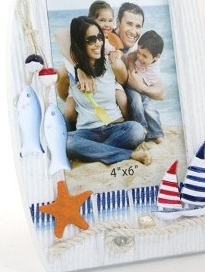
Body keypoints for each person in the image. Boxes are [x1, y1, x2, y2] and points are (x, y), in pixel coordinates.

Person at [56, 16, 151, 166]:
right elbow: (59, 34)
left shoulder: (110, 62)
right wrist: (79, 70)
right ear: (79, 43)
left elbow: (125, 81)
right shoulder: (71, 69)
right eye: (91, 40)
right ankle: (127, 154)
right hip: (86, 131)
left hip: (115, 127)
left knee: (137, 130)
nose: (98, 43)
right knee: (67, 142)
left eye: (99, 37)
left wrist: (117, 55)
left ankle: (94, 151)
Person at [126, 30, 165, 143]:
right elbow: (131, 59)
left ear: (156, 58)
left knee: (149, 107)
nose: (139, 57)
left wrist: (132, 64)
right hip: (130, 88)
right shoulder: (138, 53)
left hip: (142, 89)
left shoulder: (154, 71)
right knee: (136, 102)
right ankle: (143, 129)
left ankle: (157, 133)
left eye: (144, 56)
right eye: (138, 52)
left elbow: (138, 81)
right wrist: (132, 61)